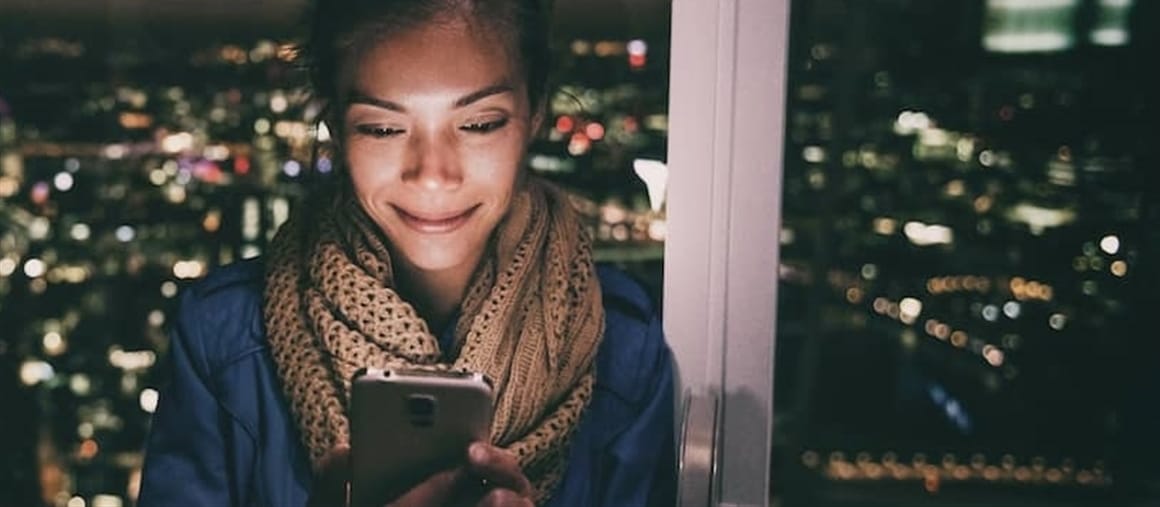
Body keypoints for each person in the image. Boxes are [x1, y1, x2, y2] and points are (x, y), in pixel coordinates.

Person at [137, 0, 675, 505]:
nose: (433, 173)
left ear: (534, 114)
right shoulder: (224, 338)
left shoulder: (622, 348)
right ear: (335, 126)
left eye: (480, 124)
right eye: (384, 128)